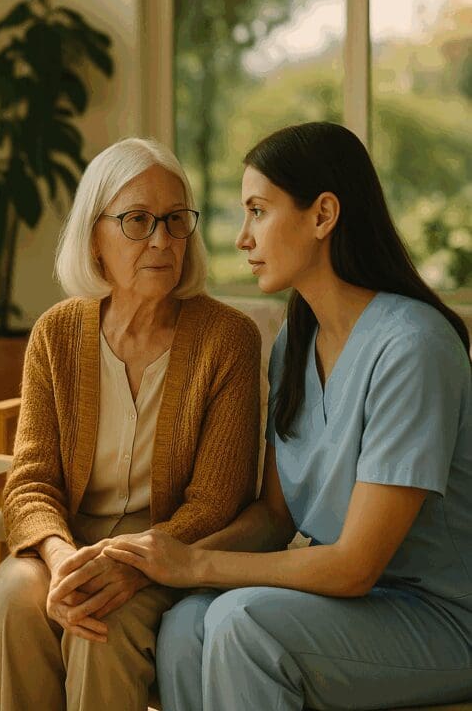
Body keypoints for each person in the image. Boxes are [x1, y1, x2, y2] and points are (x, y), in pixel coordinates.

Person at [103, 122, 472, 710]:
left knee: (243, 624)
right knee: (185, 625)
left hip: (440, 618)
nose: (242, 238)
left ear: (323, 215)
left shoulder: (413, 347)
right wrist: (161, 562)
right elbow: (276, 517)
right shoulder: (294, 343)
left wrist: (197, 561)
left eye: (258, 210)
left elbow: (355, 566)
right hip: (350, 603)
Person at [0, 137, 261, 711]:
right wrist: (61, 561)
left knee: (101, 630)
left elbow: (217, 500)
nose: (162, 240)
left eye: (175, 220)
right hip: (70, 540)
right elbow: (31, 482)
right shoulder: (56, 333)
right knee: (11, 599)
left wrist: (132, 565)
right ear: (94, 238)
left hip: (168, 546)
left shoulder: (227, 338)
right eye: (138, 221)